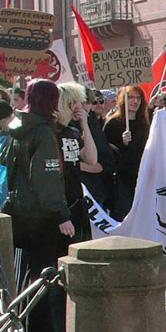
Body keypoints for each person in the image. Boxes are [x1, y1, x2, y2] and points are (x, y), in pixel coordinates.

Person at [5, 79, 73, 332]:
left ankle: (24, 324)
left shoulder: (17, 127)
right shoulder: (43, 132)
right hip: (41, 214)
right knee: (43, 274)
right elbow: (48, 178)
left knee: (24, 274)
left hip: (18, 210)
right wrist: (62, 214)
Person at [55, 83, 96, 242]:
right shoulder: (52, 132)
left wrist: (85, 125)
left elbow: (91, 159)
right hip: (61, 205)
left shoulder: (72, 132)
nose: (80, 106)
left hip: (76, 201)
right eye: (77, 101)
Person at [104, 86, 149, 219]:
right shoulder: (113, 124)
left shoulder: (145, 123)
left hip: (142, 176)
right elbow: (106, 153)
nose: (135, 101)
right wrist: (121, 144)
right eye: (131, 98)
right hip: (122, 180)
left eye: (138, 98)